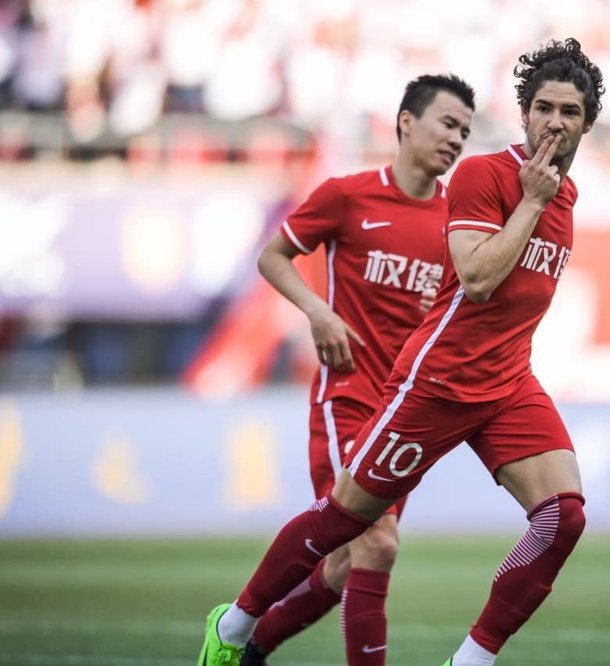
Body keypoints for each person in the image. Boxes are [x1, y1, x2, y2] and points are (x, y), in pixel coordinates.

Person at [197, 37, 605, 666]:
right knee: (347, 527)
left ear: (587, 123)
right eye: (544, 108)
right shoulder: (485, 176)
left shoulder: (566, 197)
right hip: (436, 383)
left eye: (570, 112)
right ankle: (234, 628)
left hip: (508, 385)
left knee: (563, 519)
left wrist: (542, 199)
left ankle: (470, 661)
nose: (555, 122)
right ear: (524, 114)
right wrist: (531, 202)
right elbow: (476, 279)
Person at [196, 73, 476, 666]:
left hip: (406, 414)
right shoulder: (348, 195)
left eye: (465, 131)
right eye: (447, 123)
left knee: (346, 561)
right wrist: (317, 311)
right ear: (407, 121)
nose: (457, 139)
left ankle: (247, 641)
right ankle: (242, 629)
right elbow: (273, 257)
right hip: (346, 395)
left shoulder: (459, 221)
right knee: (377, 540)